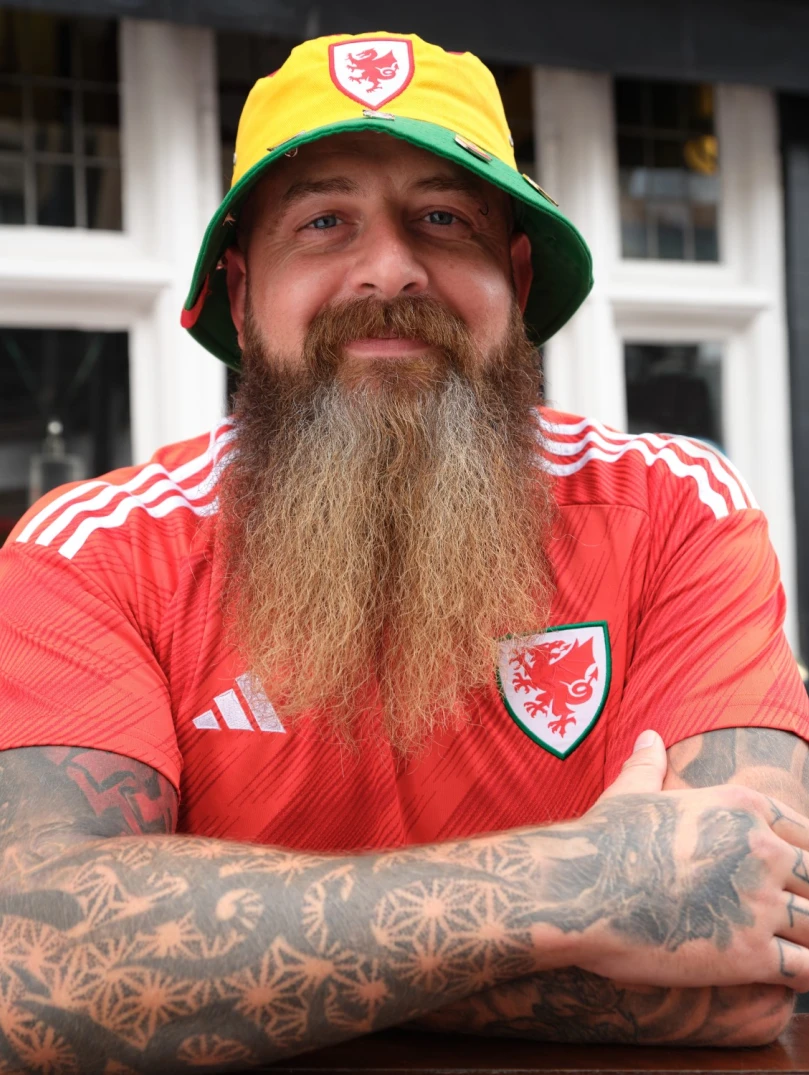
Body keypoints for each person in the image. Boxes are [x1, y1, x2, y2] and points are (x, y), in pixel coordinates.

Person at [0, 30, 808, 1073]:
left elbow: (755, 962)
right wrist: (580, 885)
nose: (387, 268)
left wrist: (215, 966)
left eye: (442, 219)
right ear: (241, 297)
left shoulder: (672, 512)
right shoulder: (93, 555)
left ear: (513, 278)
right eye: (324, 222)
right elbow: (30, 965)